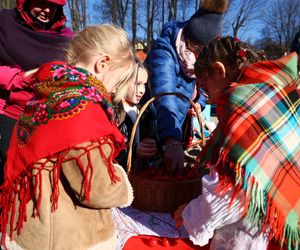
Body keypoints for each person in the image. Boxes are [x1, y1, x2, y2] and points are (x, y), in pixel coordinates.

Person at [0, 24, 137, 250]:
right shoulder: (83, 107)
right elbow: (94, 187)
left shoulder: (46, 93)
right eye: (118, 81)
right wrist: (123, 183)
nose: (112, 91)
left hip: (28, 228)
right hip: (66, 237)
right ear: (103, 63)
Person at [175, 37, 299, 250]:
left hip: (247, 236)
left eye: (205, 88)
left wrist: (190, 213)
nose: (210, 101)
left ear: (219, 70)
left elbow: (232, 195)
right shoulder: (276, 90)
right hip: (278, 222)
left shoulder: (240, 102)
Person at [145, 0, 228, 172]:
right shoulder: (164, 50)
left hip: (179, 125)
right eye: (194, 47)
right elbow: (165, 93)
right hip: (155, 121)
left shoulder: (203, 59)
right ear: (186, 37)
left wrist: (199, 102)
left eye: (202, 52)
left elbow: (205, 86)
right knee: (151, 167)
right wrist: (171, 140)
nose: (196, 55)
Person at [0, 0, 74, 183]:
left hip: (49, 115)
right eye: (41, 3)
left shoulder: (67, 38)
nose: (47, 10)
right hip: (9, 110)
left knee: (42, 175)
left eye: (53, 5)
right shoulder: (4, 23)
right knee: (8, 173)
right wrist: (21, 77)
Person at [115, 62, 158, 170]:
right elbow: (112, 149)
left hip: (139, 176)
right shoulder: (115, 112)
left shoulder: (144, 111)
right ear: (123, 81)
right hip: (121, 175)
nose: (142, 90)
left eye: (144, 84)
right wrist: (133, 150)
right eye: (137, 84)